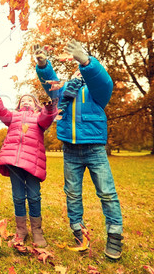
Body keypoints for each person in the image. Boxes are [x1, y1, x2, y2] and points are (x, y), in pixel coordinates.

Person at [35, 39, 124, 259]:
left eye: (82, 69)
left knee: (107, 193)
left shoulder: (97, 92)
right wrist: (44, 65)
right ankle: (78, 232)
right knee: (73, 194)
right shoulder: (63, 92)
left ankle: (114, 236)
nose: (78, 72)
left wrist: (86, 61)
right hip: (71, 151)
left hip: (94, 150)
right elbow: (50, 83)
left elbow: (103, 81)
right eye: (77, 69)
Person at [0, 76, 57, 246]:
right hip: (14, 162)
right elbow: (0, 109)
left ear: (36, 104)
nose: (27, 102)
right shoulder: (13, 117)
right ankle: (21, 229)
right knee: (18, 197)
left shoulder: (39, 118)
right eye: (23, 100)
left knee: (34, 196)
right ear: (18, 105)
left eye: (30, 100)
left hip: (32, 163)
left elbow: (47, 117)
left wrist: (49, 107)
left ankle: (37, 230)